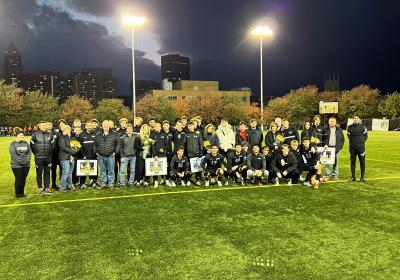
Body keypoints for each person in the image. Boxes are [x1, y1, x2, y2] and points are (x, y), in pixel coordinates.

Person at [30, 121, 55, 194]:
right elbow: (32, 145)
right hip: (39, 158)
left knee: (47, 173)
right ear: (39, 127)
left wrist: (49, 153)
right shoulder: (35, 135)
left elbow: (53, 146)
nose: (44, 127)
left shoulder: (50, 135)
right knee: (39, 173)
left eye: (45, 125)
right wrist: (36, 153)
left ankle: (46, 187)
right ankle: (40, 188)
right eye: (42, 125)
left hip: (48, 158)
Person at [94, 120, 120, 190]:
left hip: (111, 155)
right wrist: (96, 151)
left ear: (109, 126)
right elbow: (95, 144)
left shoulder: (114, 134)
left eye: (107, 125)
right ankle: (103, 184)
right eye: (104, 125)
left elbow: (118, 143)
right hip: (101, 155)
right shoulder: (98, 134)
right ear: (102, 126)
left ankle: (111, 184)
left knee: (111, 171)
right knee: (102, 171)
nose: (106, 127)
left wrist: (115, 152)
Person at [9, 128, 31, 198]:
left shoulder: (26, 143)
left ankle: (22, 192)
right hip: (16, 165)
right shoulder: (12, 144)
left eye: (22, 135)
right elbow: (14, 155)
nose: (21, 137)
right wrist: (22, 162)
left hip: (26, 164)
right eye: (20, 135)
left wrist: (26, 161)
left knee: (24, 178)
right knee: (19, 178)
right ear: (16, 136)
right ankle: (17, 193)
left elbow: (29, 153)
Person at [347, 114, 368, 182]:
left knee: (362, 162)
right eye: (354, 118)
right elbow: (348, 136)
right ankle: (353, 177)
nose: (356, 119)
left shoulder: (362, 127)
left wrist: (360, 143)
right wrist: (354, 142)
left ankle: (362, 177)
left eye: (357, 118)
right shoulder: (349, 127)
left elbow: (366, 136)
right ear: (353, 119)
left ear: (359, 119)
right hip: (352, 148)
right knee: (353, 162)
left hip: (361, 148)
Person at [323, 116, 345, 181]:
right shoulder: (325, 129)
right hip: (328, 148)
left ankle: (335, 175)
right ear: (329, 122)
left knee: (336, 163)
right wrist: (325, 144)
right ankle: (327, 175)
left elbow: (342, 139)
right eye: (331, 121)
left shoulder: (339, 130)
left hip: (336, 148)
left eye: (333, 121)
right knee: (327, 163)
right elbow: (323, 139)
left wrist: (339, 147)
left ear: (335, 122)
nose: (332, 122)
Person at [58, 125, 78, 192]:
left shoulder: (69, 137)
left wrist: (76, 149)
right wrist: (73, 152)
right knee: (66, 172)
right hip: (64, 157)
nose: (68, 130)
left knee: (70, 172)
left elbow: (74, 146)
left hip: (71, 157)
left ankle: (69, 186)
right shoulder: (60, 137)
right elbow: (63, 147)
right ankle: (62, 187)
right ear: (63, 129)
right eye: (66, 129)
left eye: (69, 129)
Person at [184, 121, 203, 186]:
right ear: (188, 127)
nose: (190, 127)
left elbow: (200, 144)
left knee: (198, 168)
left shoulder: (197, 134)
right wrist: (185, 154)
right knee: (189, 168)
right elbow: (184, 145)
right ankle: (188, 180)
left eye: (192, 126)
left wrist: (201, 153)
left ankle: (198, 179)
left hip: (197, 154)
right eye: (189, 126)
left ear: (194, 126)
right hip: (189, 155)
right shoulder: (186, 134)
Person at [80, 121, 97, 188]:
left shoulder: (95, 133)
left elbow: (96, 144)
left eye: (90, 125)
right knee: (84, 170)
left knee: (93, 169)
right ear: (85, 126)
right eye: (88, 125)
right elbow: (80, 146)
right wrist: (83, 155)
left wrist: (96, 153)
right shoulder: (82, 134)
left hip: (93, 155)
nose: (89, 127)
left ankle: (93, 182)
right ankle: (83, 183)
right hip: (85, 156)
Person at [151, 122, 168, 187]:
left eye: (159, 126)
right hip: (156, 155)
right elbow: (153, 146)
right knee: (156, 168)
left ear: (161, 127)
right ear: (154, 127)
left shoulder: (164, 135)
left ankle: (164, 180)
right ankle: (155, 181)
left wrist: (163, 149)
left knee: (164, 167)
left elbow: (167, 144)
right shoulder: (152, 135)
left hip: (163, 154)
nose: (157, 127)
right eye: (156, 126)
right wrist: (155, 155)